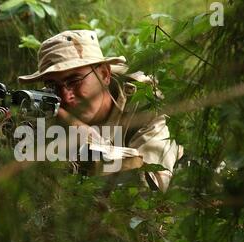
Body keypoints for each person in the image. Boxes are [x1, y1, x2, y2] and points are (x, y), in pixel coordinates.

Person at [18, 30, 183, 192]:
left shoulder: (145, 107)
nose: (65, 97)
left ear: (104, 74)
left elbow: (152, 189)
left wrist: (86, 137)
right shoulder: (47, 110)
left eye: (74, 81)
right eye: (53, 86)